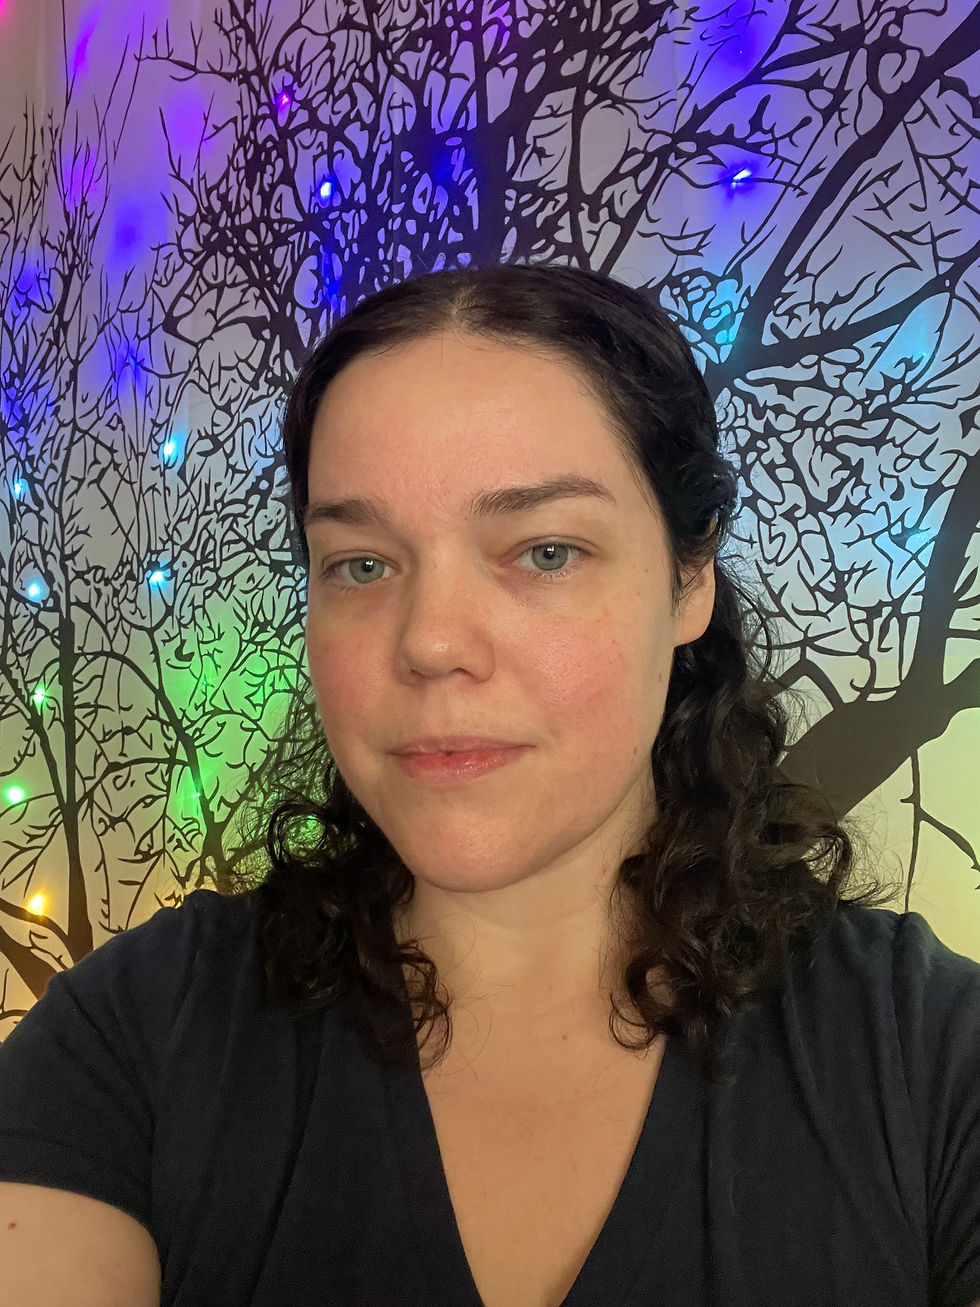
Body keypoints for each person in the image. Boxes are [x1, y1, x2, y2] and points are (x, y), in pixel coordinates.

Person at [0, 261, 978, 1307]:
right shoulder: (135, 1036)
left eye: (545, 551)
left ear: (688, 579)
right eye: (361, 563)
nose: (429, 641)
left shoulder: (930, 1061)